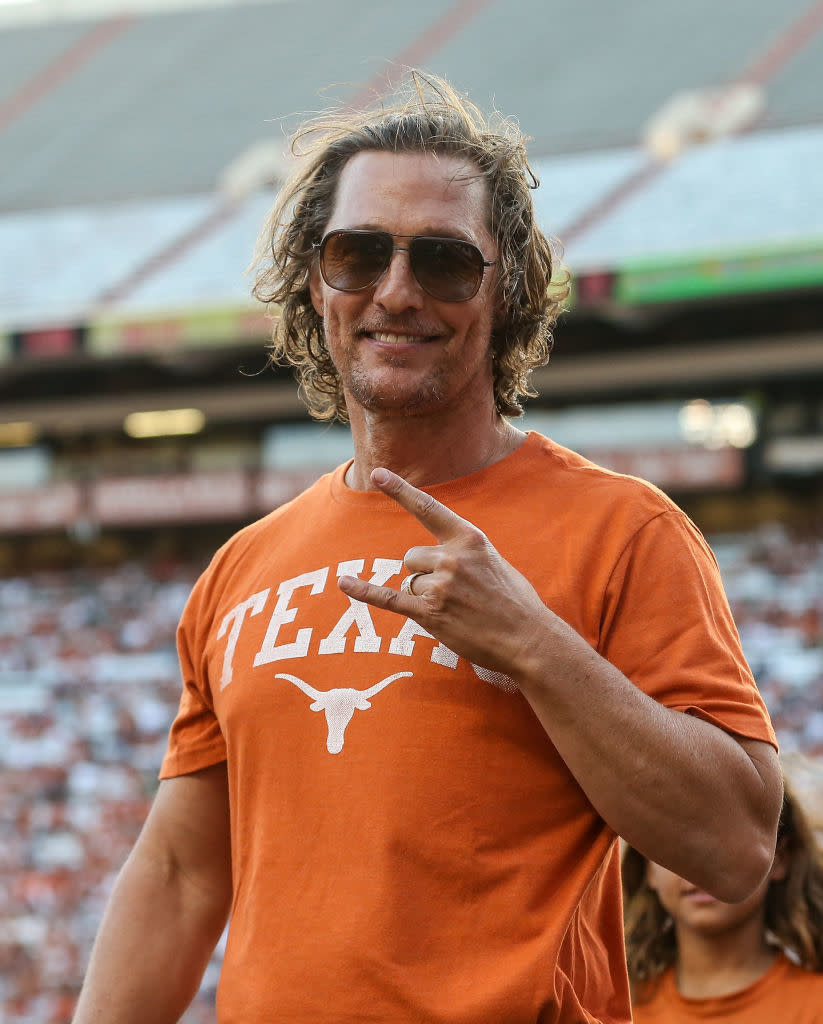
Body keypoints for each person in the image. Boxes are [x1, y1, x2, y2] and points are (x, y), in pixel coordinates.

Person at [72, 72, 782, 1024]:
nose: (395, 292)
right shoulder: (242, 567)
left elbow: (735, 847)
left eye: (443, 262)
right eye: (358, 253)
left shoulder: (626, 533)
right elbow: (178, 875)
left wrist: (532, 643)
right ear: (315, 281)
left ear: (509, 291)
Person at [622, 779, 823, 1022]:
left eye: (725, 839)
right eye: (673, 841)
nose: (698, 865)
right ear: (648, 866)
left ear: (778, 857)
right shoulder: (615, 1007)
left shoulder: (815, 1006)